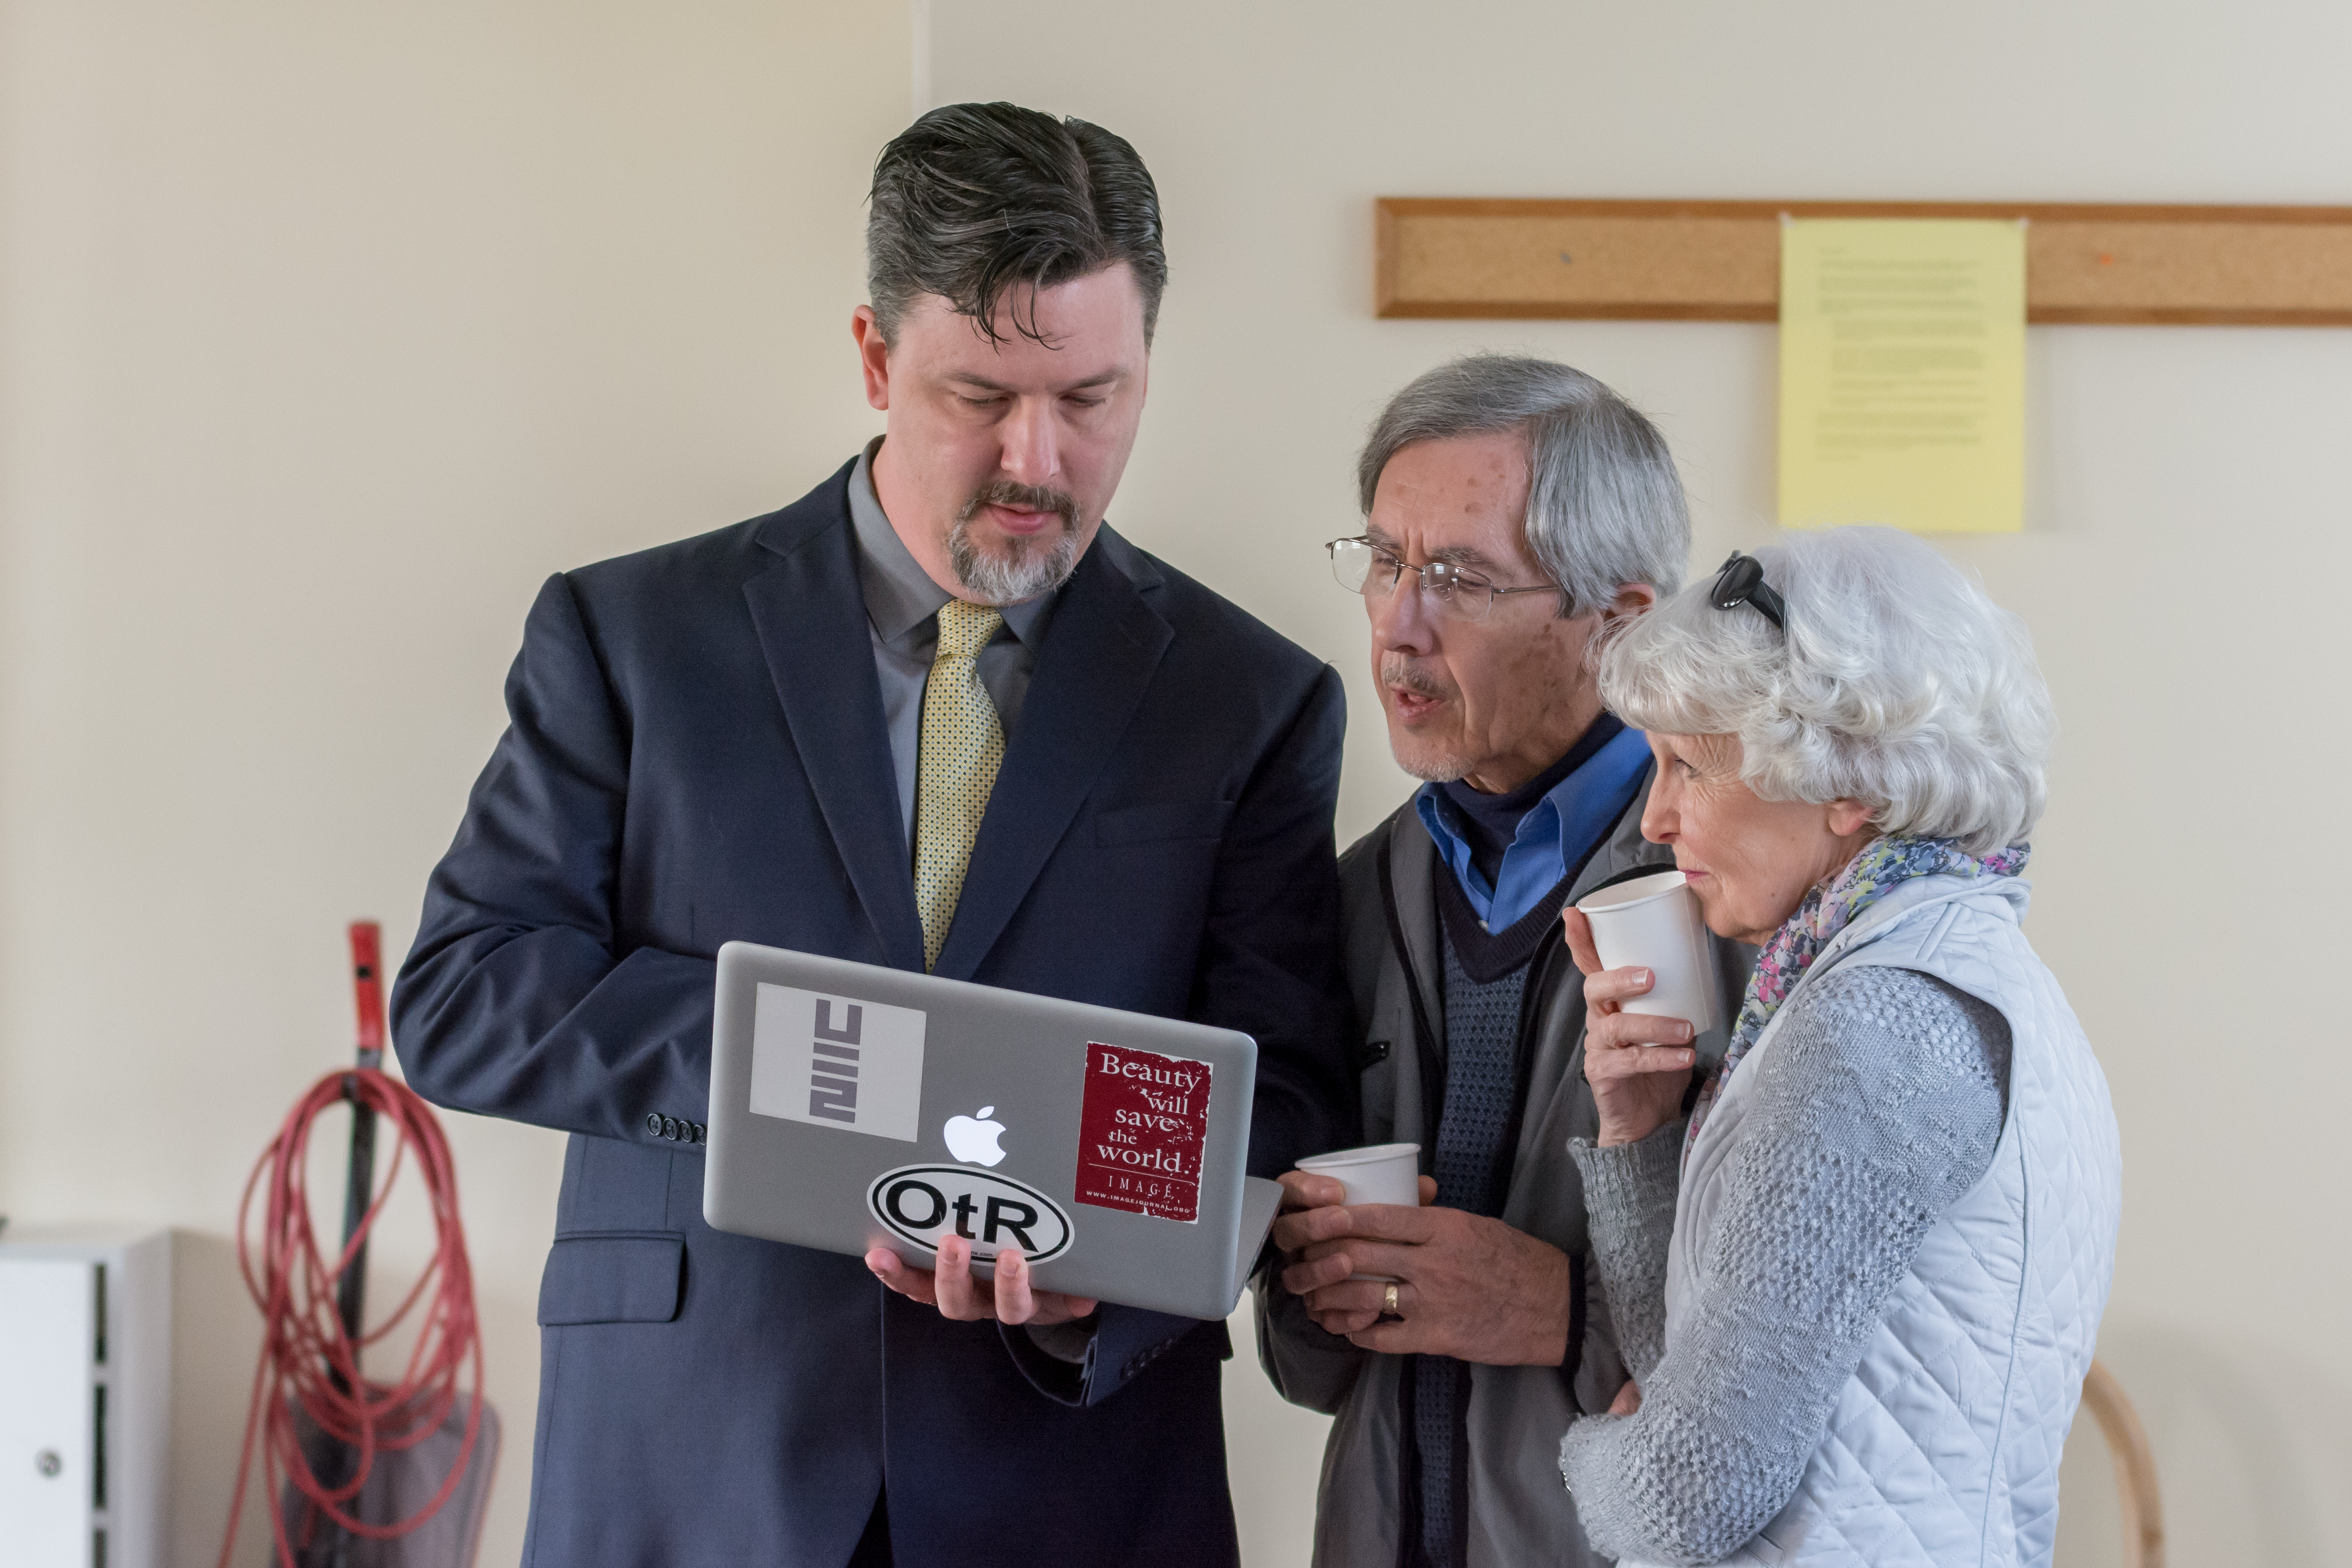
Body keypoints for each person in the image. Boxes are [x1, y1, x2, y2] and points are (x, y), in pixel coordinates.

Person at [390, 102, 1355, 1568]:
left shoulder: (1252, 700)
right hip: (694, 1464)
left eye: (1093, 398)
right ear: (870, 357)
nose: (1040, 458)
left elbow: (1279, 1096)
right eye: (982, 395)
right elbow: (466, 994)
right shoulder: (633, 636)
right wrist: (818, 1065)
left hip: (1074, 1480)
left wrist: (1112, 1278)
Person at [1255, 354, 1751, 1568]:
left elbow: (1843, 1319)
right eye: (1382, 561)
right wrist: (1304, 1272)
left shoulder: (1743, 894)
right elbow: (1306, 1367)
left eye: (1457, 579)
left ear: (1620, 621)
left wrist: (1565, 1313)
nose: (1395, 626)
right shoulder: (1355, 892)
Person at [1556, 527, 2121, 1567]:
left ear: (1843, 779)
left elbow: (1678, 1502)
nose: (1655, 817)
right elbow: (1691, 1380)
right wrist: (1639, 1130)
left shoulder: (1879, 1025)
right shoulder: (1949, 972)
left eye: (1687, 764)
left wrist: (1594, 1451)